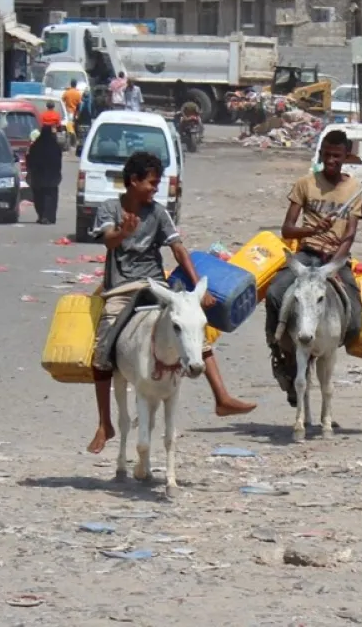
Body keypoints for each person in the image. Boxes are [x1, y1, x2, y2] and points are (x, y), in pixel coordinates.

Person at [87, 151, 254, 454]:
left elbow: (178, 249)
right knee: (102, 347)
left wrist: (196, 287)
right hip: (121, 290)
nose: (155, 188)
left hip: (156, 286)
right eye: (151, 183)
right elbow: (108, 240)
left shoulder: (159, 213)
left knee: (191, 325)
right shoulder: (110, 209)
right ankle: (104, 423)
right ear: (134, 181)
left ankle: (221, 396)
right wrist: (123, 232)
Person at [265, 129, 362, 406]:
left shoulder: (355, 190)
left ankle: (326, 349)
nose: (332, 160)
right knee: (276, 293)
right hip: (307, 255)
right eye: (328, 155)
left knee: (355, 317)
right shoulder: (305, 184)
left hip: (334, 259)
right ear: (321, 154)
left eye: (338, 156)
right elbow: (287, 229)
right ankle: (279, 350)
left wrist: (336, 262)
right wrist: (309, 229)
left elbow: (350, 235)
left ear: (346, 157)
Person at [26, 109, 63, 225]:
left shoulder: (36, 145)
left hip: (39, 176)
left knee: (39, 196)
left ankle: (42, 215)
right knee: (51, 196)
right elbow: (58, 160)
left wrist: (31, 170)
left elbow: (30, 158)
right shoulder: (54, 145)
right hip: (52, 176)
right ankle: (49, 217)